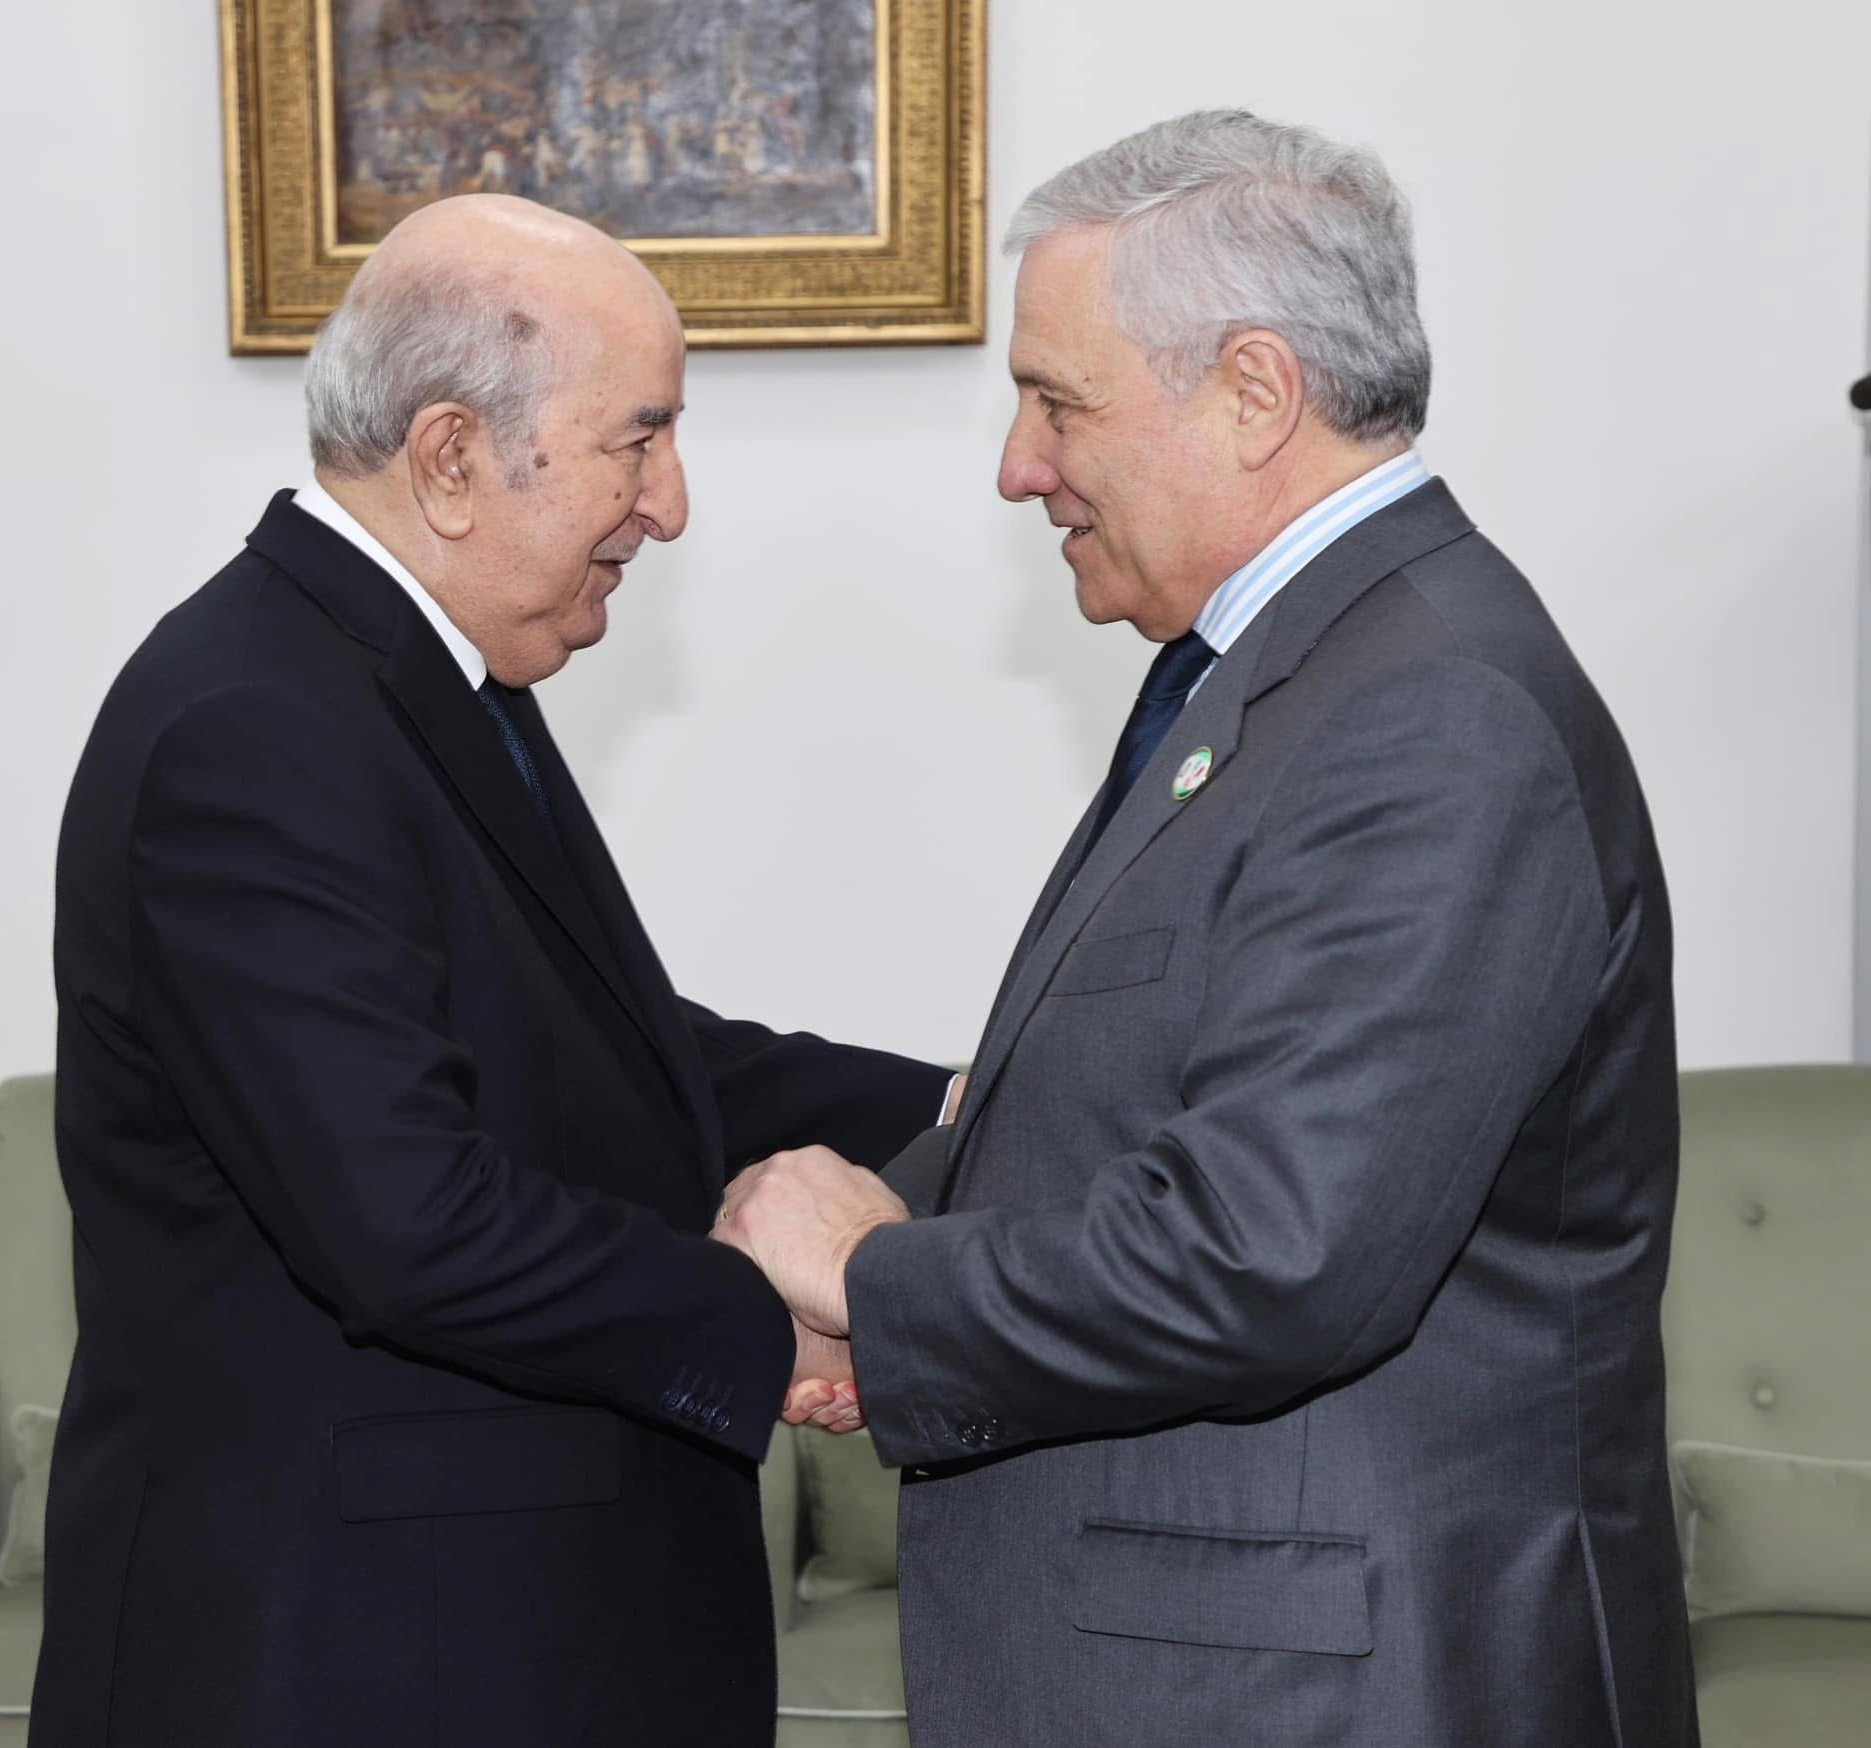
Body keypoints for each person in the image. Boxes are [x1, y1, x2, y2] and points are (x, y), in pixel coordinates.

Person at [715, 111, 1698, 1746]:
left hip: (1332, 1697)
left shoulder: (1431, 712)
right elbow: (1119, 1118)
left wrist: (879, 1277)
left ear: (1254, 393)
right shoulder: (1288, 678)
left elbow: (1274, 1249)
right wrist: (882, 1262)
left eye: (1058, 401)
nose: (1020, 465)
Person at [37, 194, 948, 1748]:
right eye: (638, 439)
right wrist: (768, 1320)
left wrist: (973, 1104)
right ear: (452, 459)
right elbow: (408, 1219)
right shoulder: (256, 727)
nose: (670, 505)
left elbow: (612, 1056)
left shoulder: (408, 678)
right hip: (348, 1666)